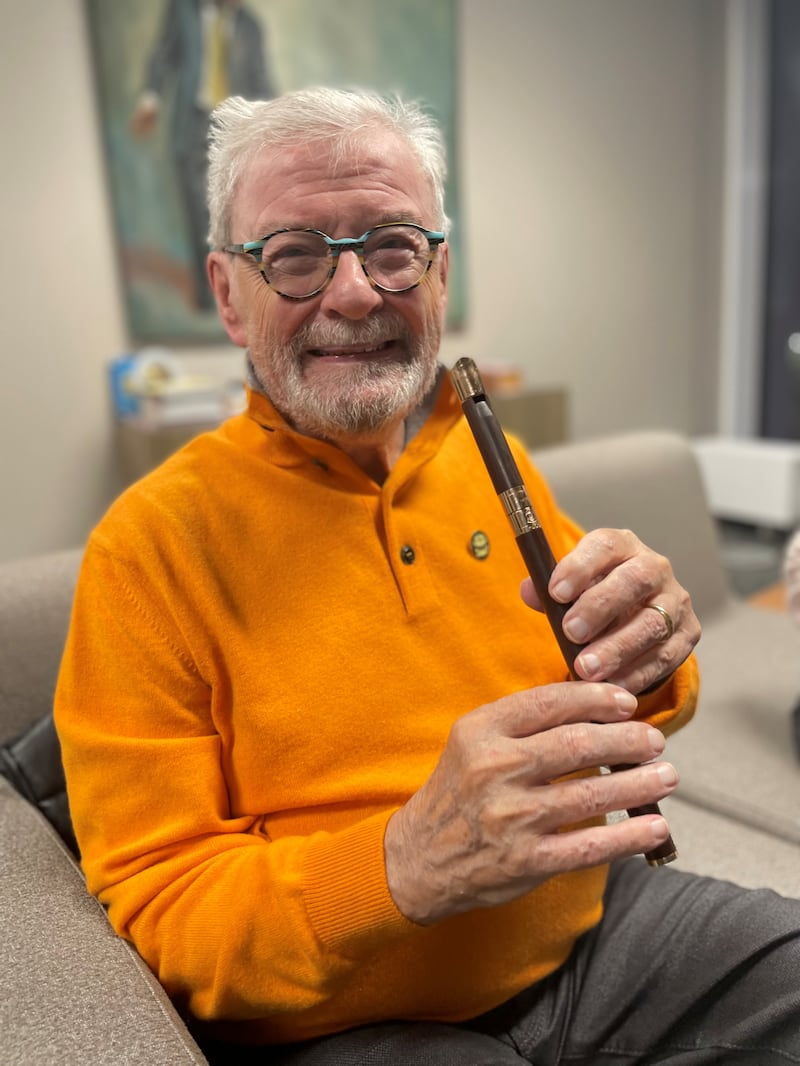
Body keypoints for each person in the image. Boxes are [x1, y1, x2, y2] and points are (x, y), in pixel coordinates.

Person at [54, 87, 800, 1064]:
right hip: (351, 1016)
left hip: (593, 930)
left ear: (438, 272)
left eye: (391, 245)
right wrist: (398, 868)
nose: (355, 291)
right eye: (293, 256)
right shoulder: (144, 551)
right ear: (229, 296)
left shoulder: (489, 459)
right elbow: (163, 909)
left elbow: (626, 704)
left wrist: (653, 648)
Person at [130, 0, 276, 310]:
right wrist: (150, 100)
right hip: (192, 124)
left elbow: (261, 82)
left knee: (238, 214)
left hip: (235, 127)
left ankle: (241, 295)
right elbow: (164, 55)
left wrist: (277, 124)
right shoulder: (183, 11)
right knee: (199, 213)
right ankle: (210, 295)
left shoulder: (249, 25)